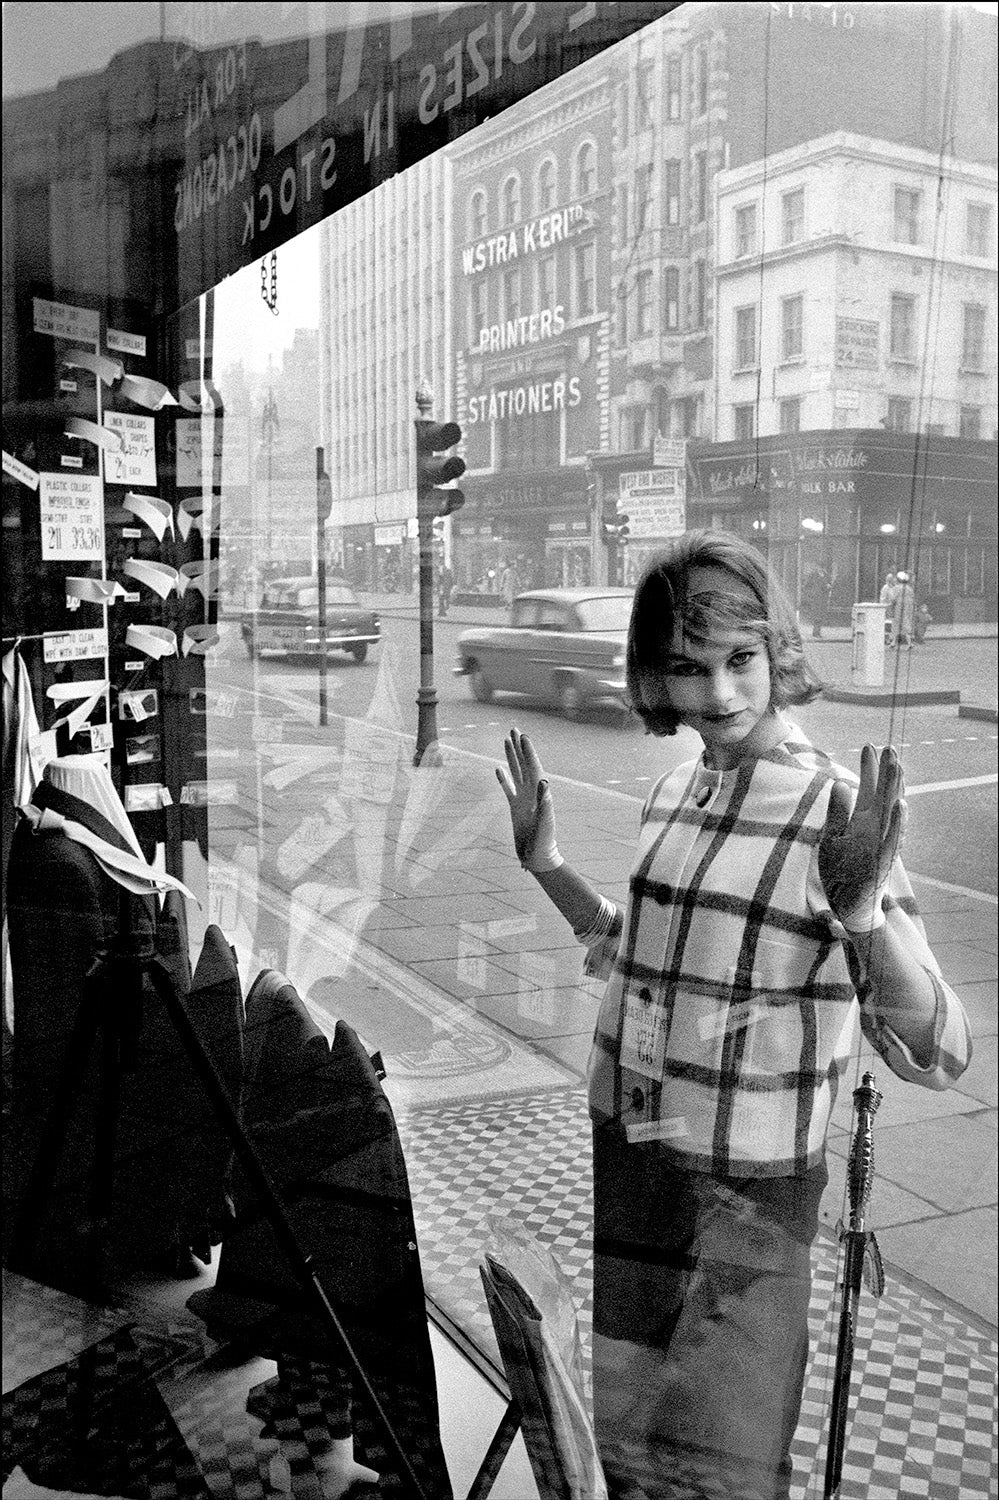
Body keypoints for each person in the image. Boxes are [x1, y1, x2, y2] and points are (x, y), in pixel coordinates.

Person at [496, 530, 970, 1500]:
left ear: (776, 654)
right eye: (687, 668)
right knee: (631, 1452)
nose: (717, 694)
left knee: (724, 1469)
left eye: (740, 661)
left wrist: (863, 912)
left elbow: (937, 1045)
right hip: (634, 1162)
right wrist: (548, 867)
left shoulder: (837, 812)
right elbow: (648, 955)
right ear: (655, 677)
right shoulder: (678, 790)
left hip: (748, 1202)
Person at [800, 564, 830, 639]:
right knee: (817, 616)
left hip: (822, 599)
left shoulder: (825, 576)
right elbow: (806, 586)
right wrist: (810, 594)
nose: (821, 569)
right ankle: (815, 632)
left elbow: (826, 586)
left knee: (820, 615)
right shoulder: (813, 576)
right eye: (820, 567)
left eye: (822, 567)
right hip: (815, 599)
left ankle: (817, 632)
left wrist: (828, 587)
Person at [893, 571, 916, 648]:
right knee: (906, 623)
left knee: (897, 623)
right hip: (908, 608)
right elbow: (912, 598)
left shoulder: (896, 588)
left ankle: (906, 643)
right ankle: (895, 642)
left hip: (899, 607)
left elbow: (894, 598)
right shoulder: (909, 588)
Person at [880, 571, 898, 647]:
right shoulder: (885, 588)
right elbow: (882, 599)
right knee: (887, 624)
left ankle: (892, 639)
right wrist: (886, 605)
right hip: (887, 608)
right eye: (894, 579)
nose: (895, 580)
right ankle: (887, 639)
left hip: (894, 608)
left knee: (893, 624)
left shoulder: (895, 587)